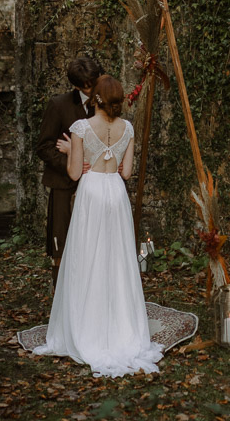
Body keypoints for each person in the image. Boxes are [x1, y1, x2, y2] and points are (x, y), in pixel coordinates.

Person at [33, 75, 163, 377]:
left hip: (91, 193)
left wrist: (70, 154)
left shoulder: (80, 128)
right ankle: (120, 325)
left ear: (98, 99)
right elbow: (127, 172)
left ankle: (85, 324)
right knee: (117, 258)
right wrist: (111, 164)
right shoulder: (127, 128)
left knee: (87, 256)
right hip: (115, 193)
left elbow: (76, 174)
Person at [36, 56, 103, 288]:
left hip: (98, 184)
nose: (94, 88)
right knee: (61, 245)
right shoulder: (58, 105)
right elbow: (44, 147)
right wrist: (69, 162)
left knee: (94, 245)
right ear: (77, 85)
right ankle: (60, 300)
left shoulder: (106, 104)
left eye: (96, 81)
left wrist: (77, 152)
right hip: (64, 185)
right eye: (89, 85)